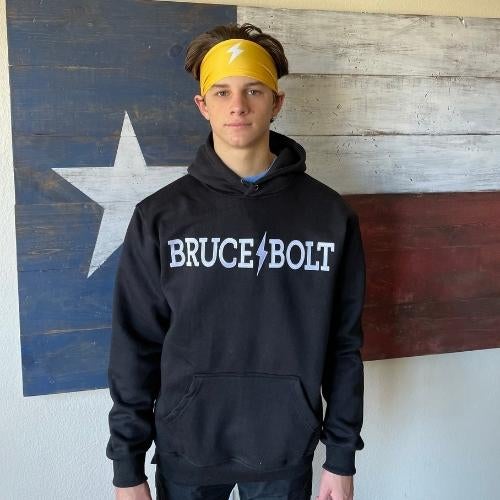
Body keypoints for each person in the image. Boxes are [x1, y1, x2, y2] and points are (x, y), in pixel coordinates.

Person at [106, 22, 366, 500]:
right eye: (222, 92)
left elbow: (343, 345)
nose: (238, 105)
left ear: (277, 102)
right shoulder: (160, 217)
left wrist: (341, 456)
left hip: (286, 451)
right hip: (187, 450)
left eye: (254, 90)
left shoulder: (330, 217)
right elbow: (134, 346)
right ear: (202, 105)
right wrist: (128, 467)